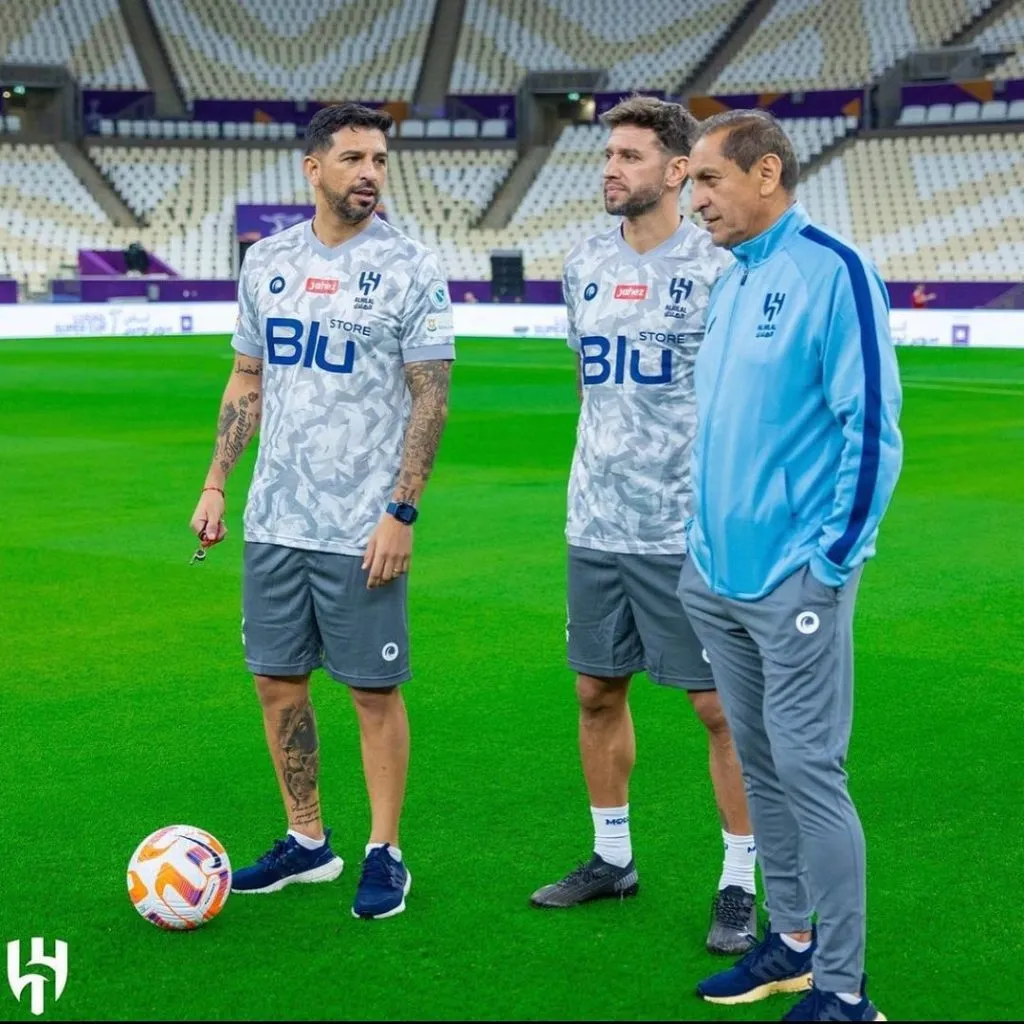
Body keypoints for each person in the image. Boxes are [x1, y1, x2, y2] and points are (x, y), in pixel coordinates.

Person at [189, 102, 455, 920]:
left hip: (359, 527)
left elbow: (431, 400)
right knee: (277, 684)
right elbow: (247, 379)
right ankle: (308, 841)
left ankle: (385, 850)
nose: (369, 172)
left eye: (379, 158)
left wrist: (400, 513)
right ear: (315, 169)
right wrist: (215, 483)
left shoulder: (412, 266)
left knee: (372, 691)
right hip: (276, 520)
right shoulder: (267, 261)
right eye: (352, 159)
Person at [680, 109, 902, 1021]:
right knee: (762, 766)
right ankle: (795, 943)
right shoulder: (731, 279)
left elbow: (873, 431)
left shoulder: (833, 271)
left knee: (812, 773)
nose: (694, 200)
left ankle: (845, 991)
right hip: (716, 577)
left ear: (766, 173)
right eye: (691, 182)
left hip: (793, 581)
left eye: (708, 181)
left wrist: (830, 563)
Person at [528, 95, 760, 957]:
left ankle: (740, 880)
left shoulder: (719, 266)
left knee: (718, 710)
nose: (610, 168)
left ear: (674, 171)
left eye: (629, 155)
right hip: (595, 521)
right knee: (596, 691)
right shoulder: (582, 262)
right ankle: (612, 858)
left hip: (688, 533)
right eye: (607, 154)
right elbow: (589, 384)